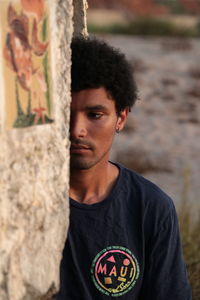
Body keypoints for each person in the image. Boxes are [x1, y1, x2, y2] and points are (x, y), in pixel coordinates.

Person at [55, 37, 192, 299]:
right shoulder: (23, 203)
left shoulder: (150, 207)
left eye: (95, 115)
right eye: (65, 114)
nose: (76, 130)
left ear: (121, 118)